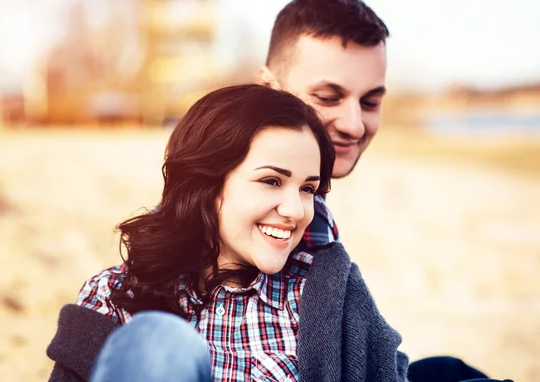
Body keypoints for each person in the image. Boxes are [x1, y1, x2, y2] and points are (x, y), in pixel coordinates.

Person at [46, 84, 410, 381]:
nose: (296, 211)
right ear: (205, 183)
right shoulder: (114, 294)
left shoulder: (329, 291)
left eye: (308, 188)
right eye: (271, 181)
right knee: (159, 339)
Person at [254, 0, 511, 382]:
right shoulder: (227, 203)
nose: (355, 125)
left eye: (370, 102)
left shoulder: (316, 209)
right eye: (328, 97)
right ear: (268, 89)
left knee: (450, 370)